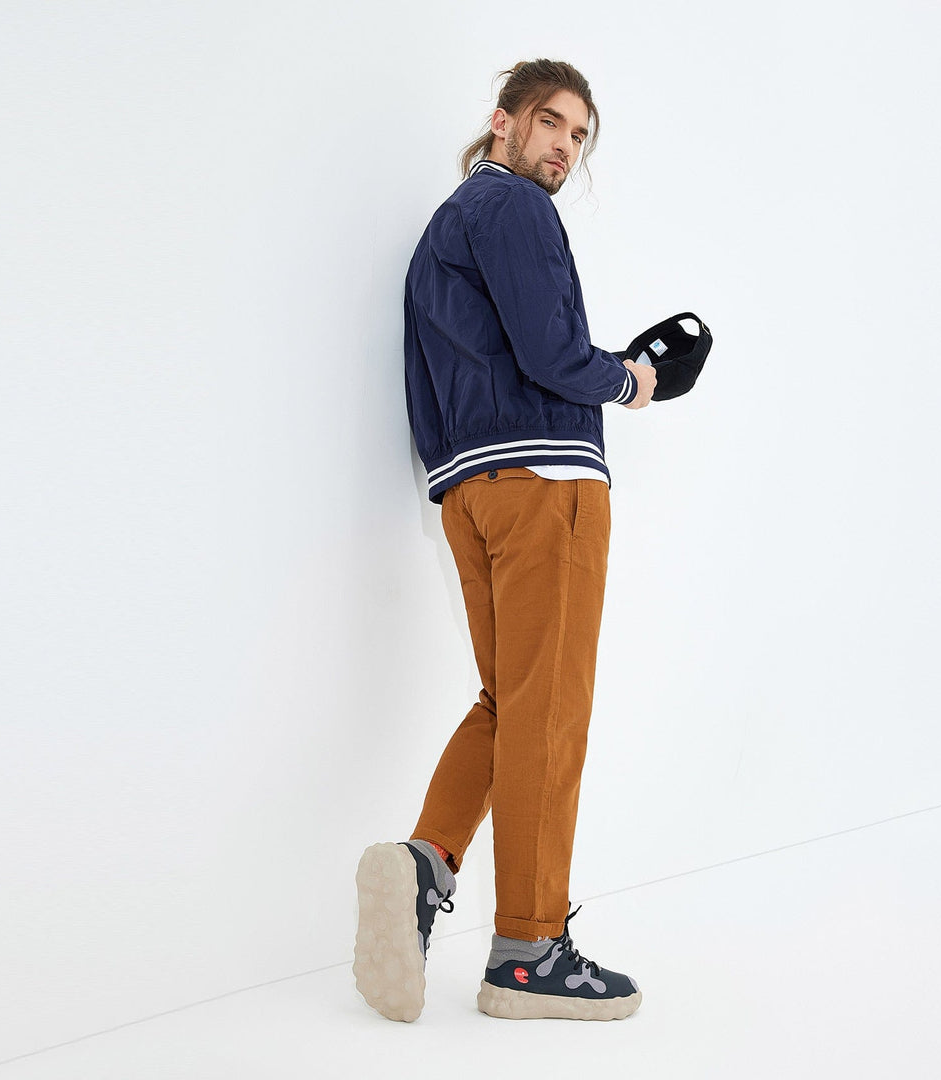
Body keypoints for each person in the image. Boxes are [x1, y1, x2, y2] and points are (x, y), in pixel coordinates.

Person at [353, 58, 655, 1024]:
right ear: (504, 121)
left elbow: (440, 385)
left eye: (580, 135)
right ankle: (528, 951)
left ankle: (425, 861)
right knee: (549, 713)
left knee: (511, 700)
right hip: (545, 487)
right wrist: (632, 381)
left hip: (470, 492)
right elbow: (551, 354)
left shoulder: (443, 232)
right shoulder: (515, 207)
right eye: (552, 122)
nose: (566, 146)